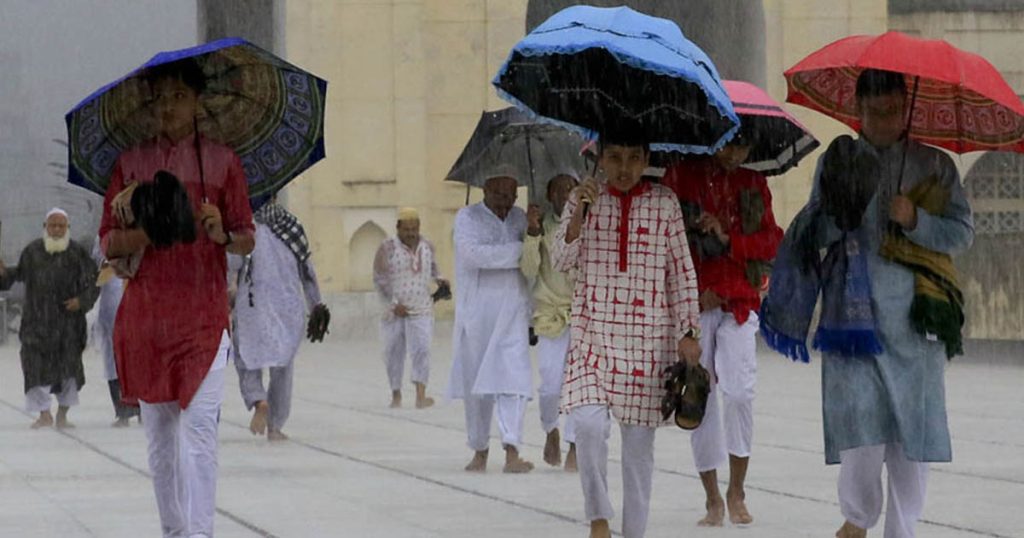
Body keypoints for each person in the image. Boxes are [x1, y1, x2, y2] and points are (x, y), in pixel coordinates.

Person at [760, 69, 973, 538]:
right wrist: (841, 213)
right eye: (874, 112)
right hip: (850, 325)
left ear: (906, 107)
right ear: (857, 110)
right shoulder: (838, 161)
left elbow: (962, 232)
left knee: (910, 442)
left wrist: (915, 217)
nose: (883, 121)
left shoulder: (935, 166)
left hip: (917, 328)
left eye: (893, 111)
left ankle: (902, 529)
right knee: (860, 433)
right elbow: (813, 236)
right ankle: (856, 519)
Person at [99, 58, 255, 538]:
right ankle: (174, 530)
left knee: (201, 432)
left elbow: (247, 235)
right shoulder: (131, 163)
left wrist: (220, 232)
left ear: (196, 102)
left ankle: (201, 533)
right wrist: (146, 231)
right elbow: (107, 242)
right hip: (147, 319)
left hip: (203, 319)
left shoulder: (223, 161)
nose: (167, 106)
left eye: (178, 97)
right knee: (161, 442)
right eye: (160, 97)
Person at [552, 130, 702, 538]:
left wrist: (688, 332)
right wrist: (581, 210)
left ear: (646, 158)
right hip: (592, 335)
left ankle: (635, 531)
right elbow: (562, 259)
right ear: (599, 158)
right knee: (586, 425)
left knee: (638, 453)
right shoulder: (581, 200)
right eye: (614, 157)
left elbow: (682, 273)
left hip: (647, 342)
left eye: (633, 157)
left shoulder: (665, 203)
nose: (623, 168)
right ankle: (599, 519)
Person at [661, 133, 783, 526]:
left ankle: (737, 490)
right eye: (729, 143)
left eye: (744, 146)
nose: (735, 154)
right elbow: (668, 243)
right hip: (694, 304)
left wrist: (728, 238)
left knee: (741, 392)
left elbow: (771, 241)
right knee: (698, 395)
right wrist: (696, 290)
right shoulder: (679, 177)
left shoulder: (753, 183)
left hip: (739, 304)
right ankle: (712, 496)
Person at [447, 173, 535, 474]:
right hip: (477, 316)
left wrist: (531, 236)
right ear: (484, 190)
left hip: (513, 311)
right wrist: (518, 252)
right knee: (478, 387)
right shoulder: (467, 217)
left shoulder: (521, 218)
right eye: (498, 194)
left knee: (515, 379)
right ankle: (480, 449)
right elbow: (473, 257)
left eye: (510, 194)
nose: (505, 201)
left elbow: (534, 260)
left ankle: (512, 450)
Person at [232, 195, 323, 441]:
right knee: (282, 366)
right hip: (288, 306)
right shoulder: (291, 226)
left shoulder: (244, 228)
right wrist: (317, 304)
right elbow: (307, 269)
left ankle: (258, 399)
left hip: (252, 304)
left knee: (246, 358)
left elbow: (230, 265)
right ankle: (275, 426)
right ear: (274, 197)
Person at [0, 208, 98, 429]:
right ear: (45, 227)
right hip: (37, 323)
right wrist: (4, 274)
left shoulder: (77, 253)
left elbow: (93, 283)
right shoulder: (33, 251)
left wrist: (81, 302)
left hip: (68, 325)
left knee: (69, 373)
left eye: (61, 226)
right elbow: (17, 276)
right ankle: (44, 414)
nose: (56, 230)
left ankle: (63, 414)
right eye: (52, 225)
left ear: (67, 228)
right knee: (34, 368)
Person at [521, 172, 579, 470]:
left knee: (580, 388)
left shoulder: (588, 225)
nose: (565, 195)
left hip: (582, 316)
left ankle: (574, 445)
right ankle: (550, 429)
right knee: (550, 386)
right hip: (549, 316)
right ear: (550, 195)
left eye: (571, 189)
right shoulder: (541, 228)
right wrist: (532, 234)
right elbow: (529, 270)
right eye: (559, 190)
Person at [373, 207, 447, 409]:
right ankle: (396, 394)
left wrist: (441, 282)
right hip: (395, 310)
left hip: (421, 307)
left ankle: (420, 395)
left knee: (422, 349)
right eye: (406, 229)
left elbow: (434, 270)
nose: (411, 233)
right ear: (398, 228)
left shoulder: (427, 246)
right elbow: (380, 279)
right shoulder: (387, 247)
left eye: (414, 229)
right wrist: (394, 304)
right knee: (393, 352)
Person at [91, 237, 141, 427]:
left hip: (139, 308)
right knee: (114, 362)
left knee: (141, 360)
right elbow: (97, 261)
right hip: (111, 312)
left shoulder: (143, 229)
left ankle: (144, 409)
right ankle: (123, 411)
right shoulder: (105, 235)